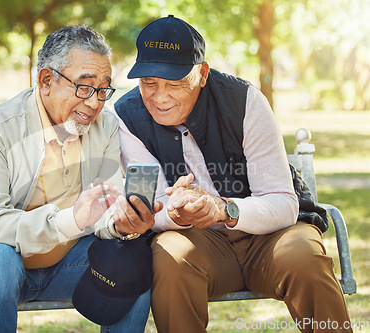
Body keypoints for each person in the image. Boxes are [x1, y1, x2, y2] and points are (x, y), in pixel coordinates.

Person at [114, 15, 352, 333]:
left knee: (304, 256)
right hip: (198, 242)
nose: (160, 97)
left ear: (202, 74)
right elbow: (148, 208)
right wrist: (176, 212)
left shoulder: (245, 102)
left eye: (174, 83)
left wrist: (222, 208)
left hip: (271, 235)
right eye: (149, 83)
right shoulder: (127, 117)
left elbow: (283, 202)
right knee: (170, 255)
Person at [0, 24, 160, 333]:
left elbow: (105, 208)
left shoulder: (103, 126)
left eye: (103, 90)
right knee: (0, 259)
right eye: (84, 87)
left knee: (135, 267)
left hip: (64, 266)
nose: (94, 102)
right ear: (46, 80)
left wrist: (120, 224)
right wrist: (71, 221)